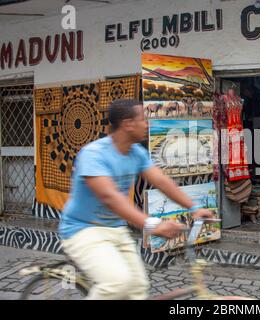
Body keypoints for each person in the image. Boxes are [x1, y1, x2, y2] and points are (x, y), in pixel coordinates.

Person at [59, 99, 214, 300]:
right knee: (117, 283)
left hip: (115, 228)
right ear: (127, 124)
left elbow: (161, 181)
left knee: (138, 287)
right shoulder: (94, 154)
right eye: (143, 119)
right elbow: (110, 197)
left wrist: (193, 207)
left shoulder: (137, 153)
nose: (147, 124)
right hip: (82, 230)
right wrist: (153, 225)